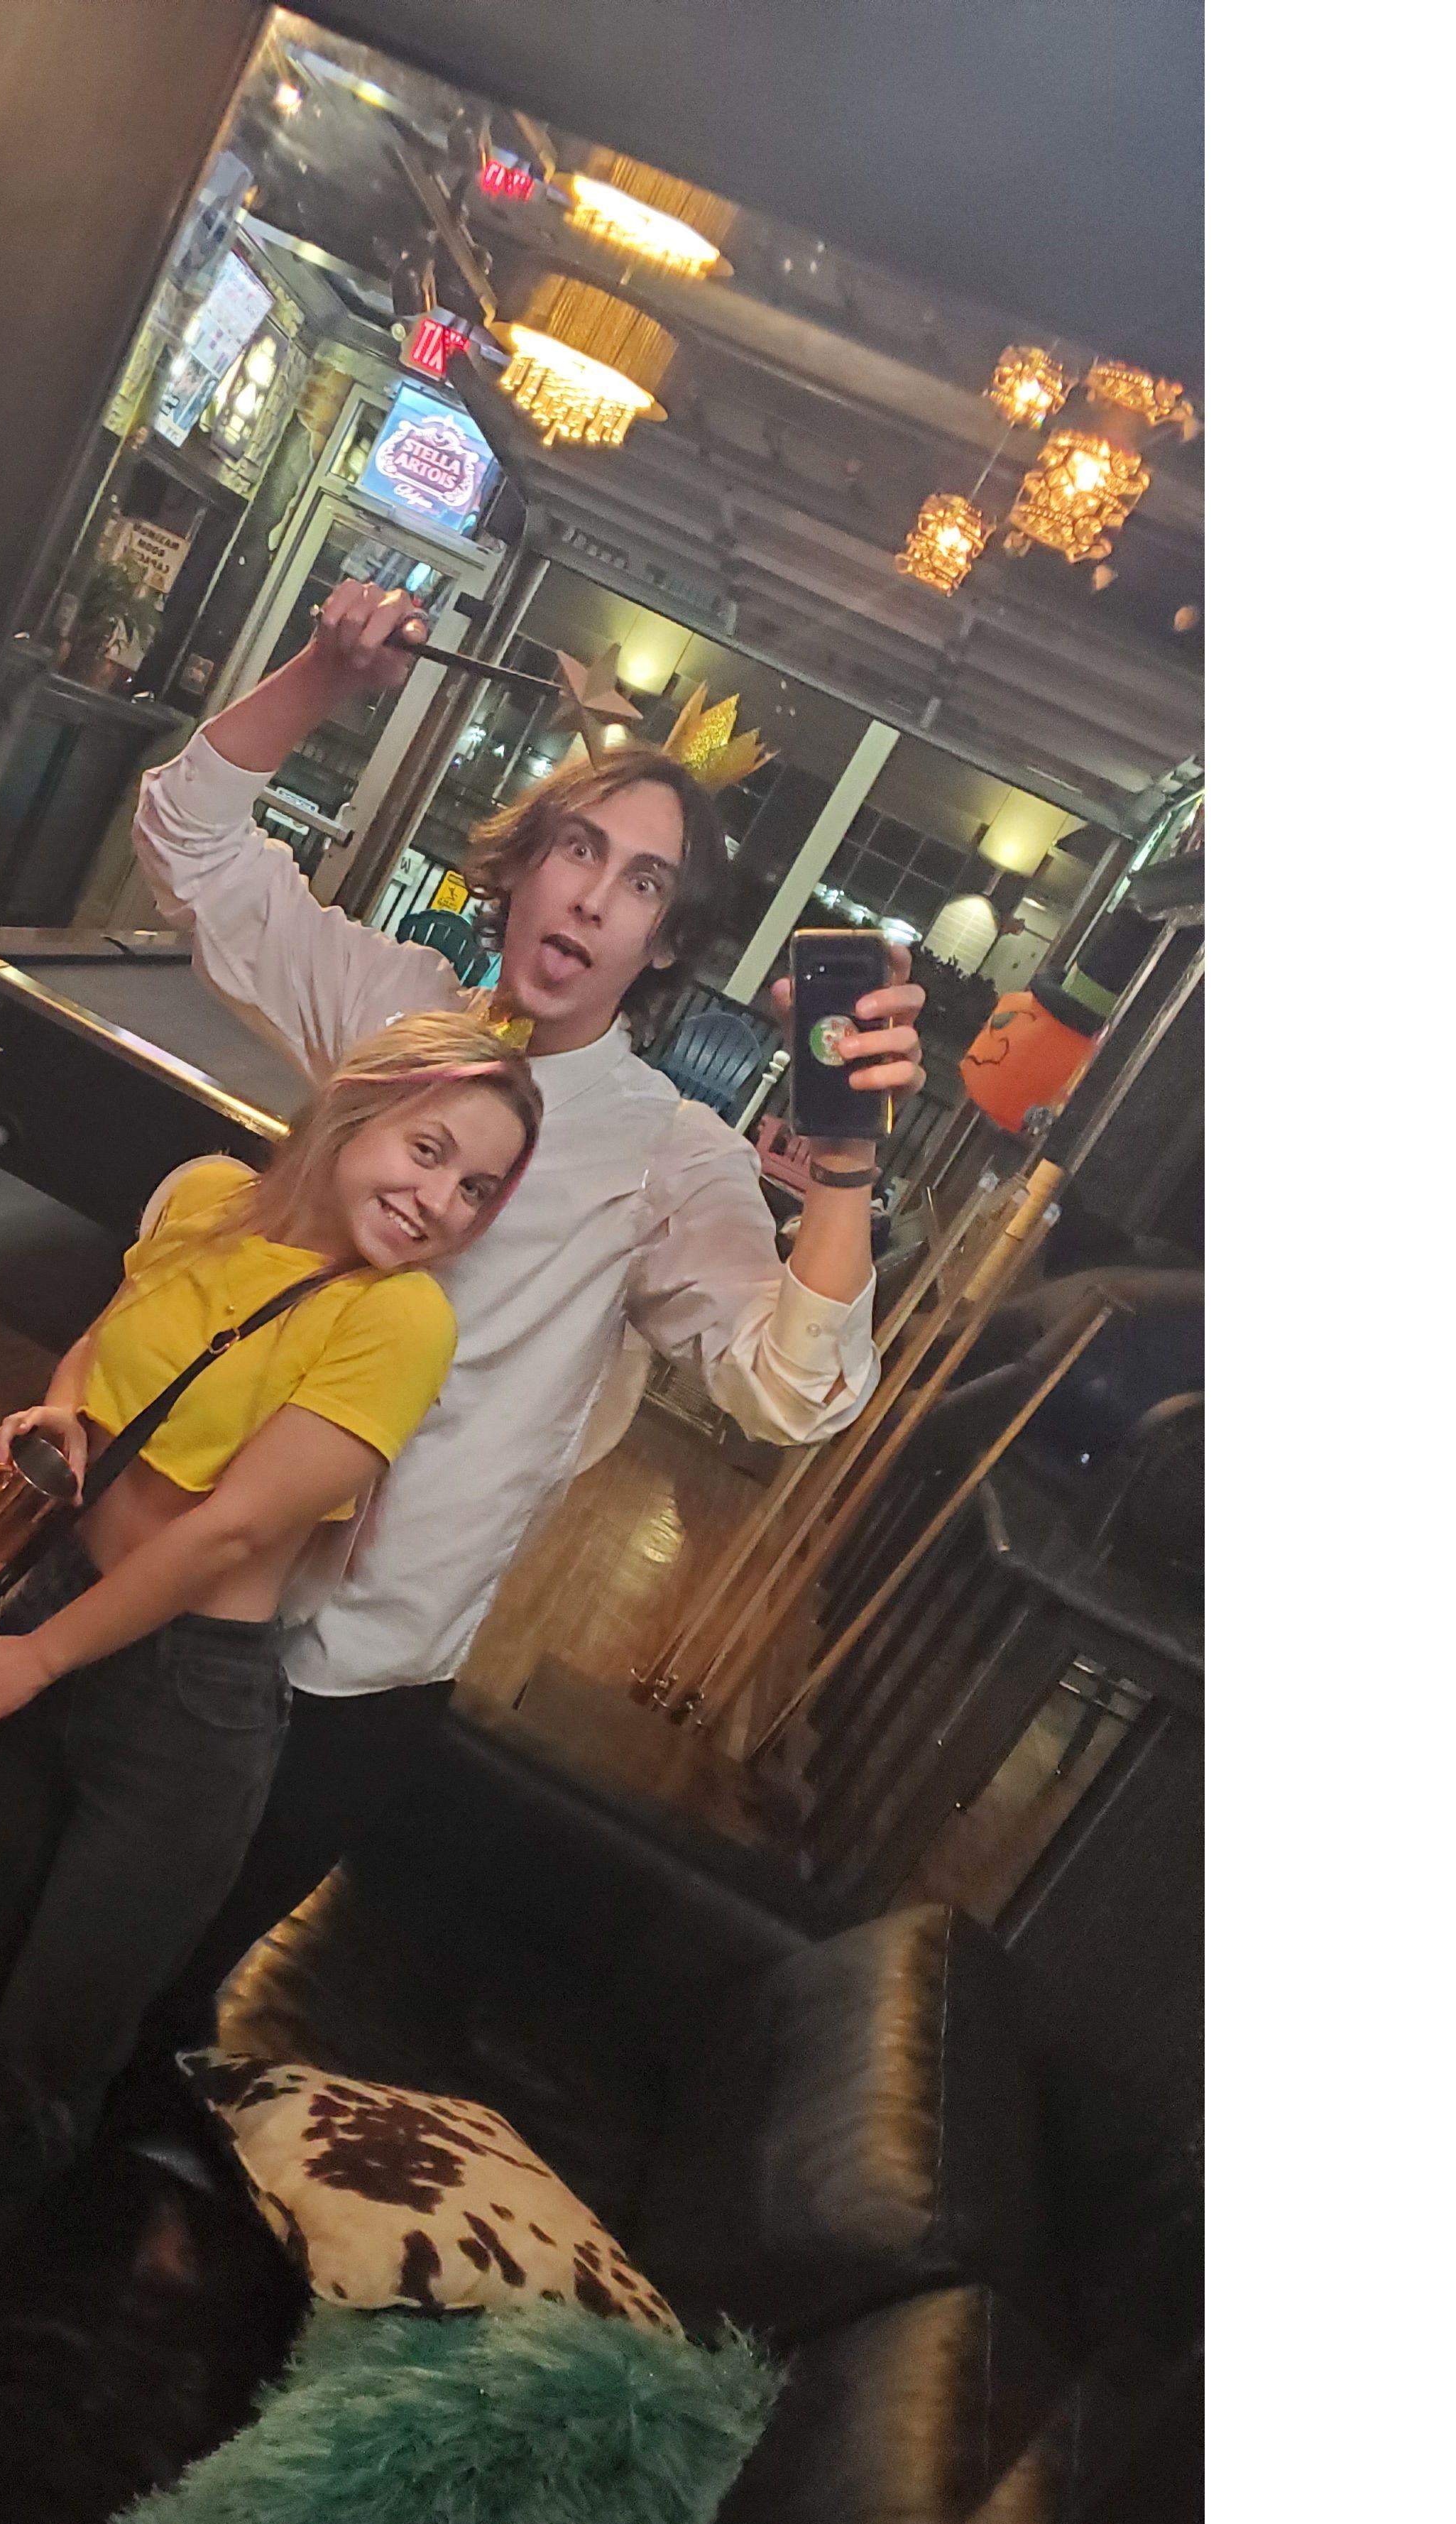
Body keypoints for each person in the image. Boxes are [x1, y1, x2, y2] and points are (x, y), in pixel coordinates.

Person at [0, 1011, 544, 2413]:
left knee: (49, 2050)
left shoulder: (401, 1319)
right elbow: (97, 1347)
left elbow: (228, 1533)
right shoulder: (207, 1203)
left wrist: (34, 1661)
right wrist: (65, 1414)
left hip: (188, 1707)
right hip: (51, 1605)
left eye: (478, 1187)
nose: (443, 1200)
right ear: (356, 1107)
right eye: (429, 1150)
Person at [125, 578, 929, 2062]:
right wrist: (319, 676)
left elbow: (789, 1389)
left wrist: (847, 1171)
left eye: (644, 884)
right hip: (174, 1562)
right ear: (524, 868)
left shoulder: (666, 1152)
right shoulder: (396, 1014)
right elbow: (190, 836)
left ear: (665, 943)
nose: (595, 898)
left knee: (163, 1996)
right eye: (580, 849)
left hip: (363, 1661)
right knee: (46, 1919)